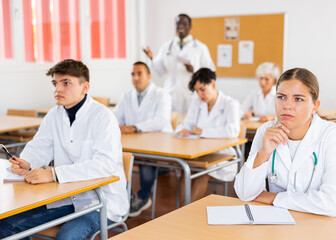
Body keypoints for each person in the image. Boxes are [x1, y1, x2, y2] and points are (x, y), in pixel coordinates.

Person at [0, 59, 128, 239]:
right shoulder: (54, 115)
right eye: (55, 83)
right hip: (66, 196)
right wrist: (27, 161)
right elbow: (40, 146)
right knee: (6, 226)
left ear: (85, 87)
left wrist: (53, 174)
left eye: (66, 83)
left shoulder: (103, 117)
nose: (57, 89)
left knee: (66, 237)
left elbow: (105, 165)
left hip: (102, 200)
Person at [234, 68, 336, 217]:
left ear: (315, 106)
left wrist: (273, 198)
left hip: (329, 222)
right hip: (282, 219)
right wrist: (264, 153)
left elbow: (332, 204)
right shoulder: (266, 131)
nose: (287, 105)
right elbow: (245, 193)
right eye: (281, 97)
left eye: (298, 99)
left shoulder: (333, 135)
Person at [114, 61, 172, 217]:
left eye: (139, 74)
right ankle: (128, 195)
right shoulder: (126, 95)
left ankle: (144, 197)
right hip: (133, 142)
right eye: (133, 74)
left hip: (156, 143)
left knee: (147, 161)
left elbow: (161, 121)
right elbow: (116, 118)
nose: (135, 77)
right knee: (115, 157)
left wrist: (133, 127)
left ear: (149, 76)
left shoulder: (161, 94)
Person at [175, 68, 240, 202]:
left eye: (202, 89)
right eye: (197, 91)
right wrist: (184, 129)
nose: (200, 94)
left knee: (202, 174)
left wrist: (203, 132)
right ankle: (181, 212)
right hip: (199, 151)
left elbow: (233, 130)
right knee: (184, 171)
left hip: (222, 154)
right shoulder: (197, 102)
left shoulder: (230, 104)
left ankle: (187, 214)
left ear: (213, 84)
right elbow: (188, 122)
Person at [143, 13, 215, 114]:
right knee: (170, 125)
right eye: (178, 23)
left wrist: (194, 70)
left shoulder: (200, 48)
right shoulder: (167, 47)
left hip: (190, 94)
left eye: (184, 23)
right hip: (170, 93)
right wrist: (151, 59)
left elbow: (210, 72)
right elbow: (160, 72)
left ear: (190, 26)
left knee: (188, 126)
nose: (180, 26)